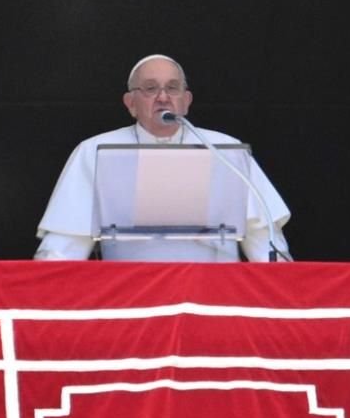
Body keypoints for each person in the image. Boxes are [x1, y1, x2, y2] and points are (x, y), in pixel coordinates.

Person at [34, 53, 291, 262]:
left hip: (213, 290)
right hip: (131, 293)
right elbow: (65, 246)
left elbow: (262, 236)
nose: (163, 97)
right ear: (130, 103)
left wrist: (280, 288)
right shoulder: (94, 151)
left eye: (172, 88)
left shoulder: (224, 149)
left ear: (186, 101)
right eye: (150, 89)